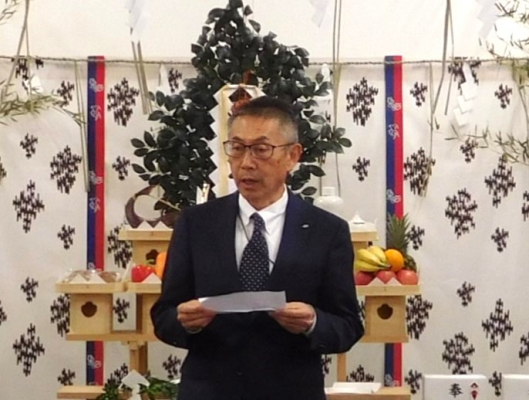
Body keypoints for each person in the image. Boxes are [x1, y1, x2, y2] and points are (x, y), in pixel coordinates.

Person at [151, 96, 364, 400]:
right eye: (237, 148)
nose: (246, 163)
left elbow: (347, 326)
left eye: (261, 149)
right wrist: (187, 322)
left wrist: (312, 322)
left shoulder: (326, 231)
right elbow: (164, 317)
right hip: (210, 390)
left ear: (292, 156)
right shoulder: (196, 224)